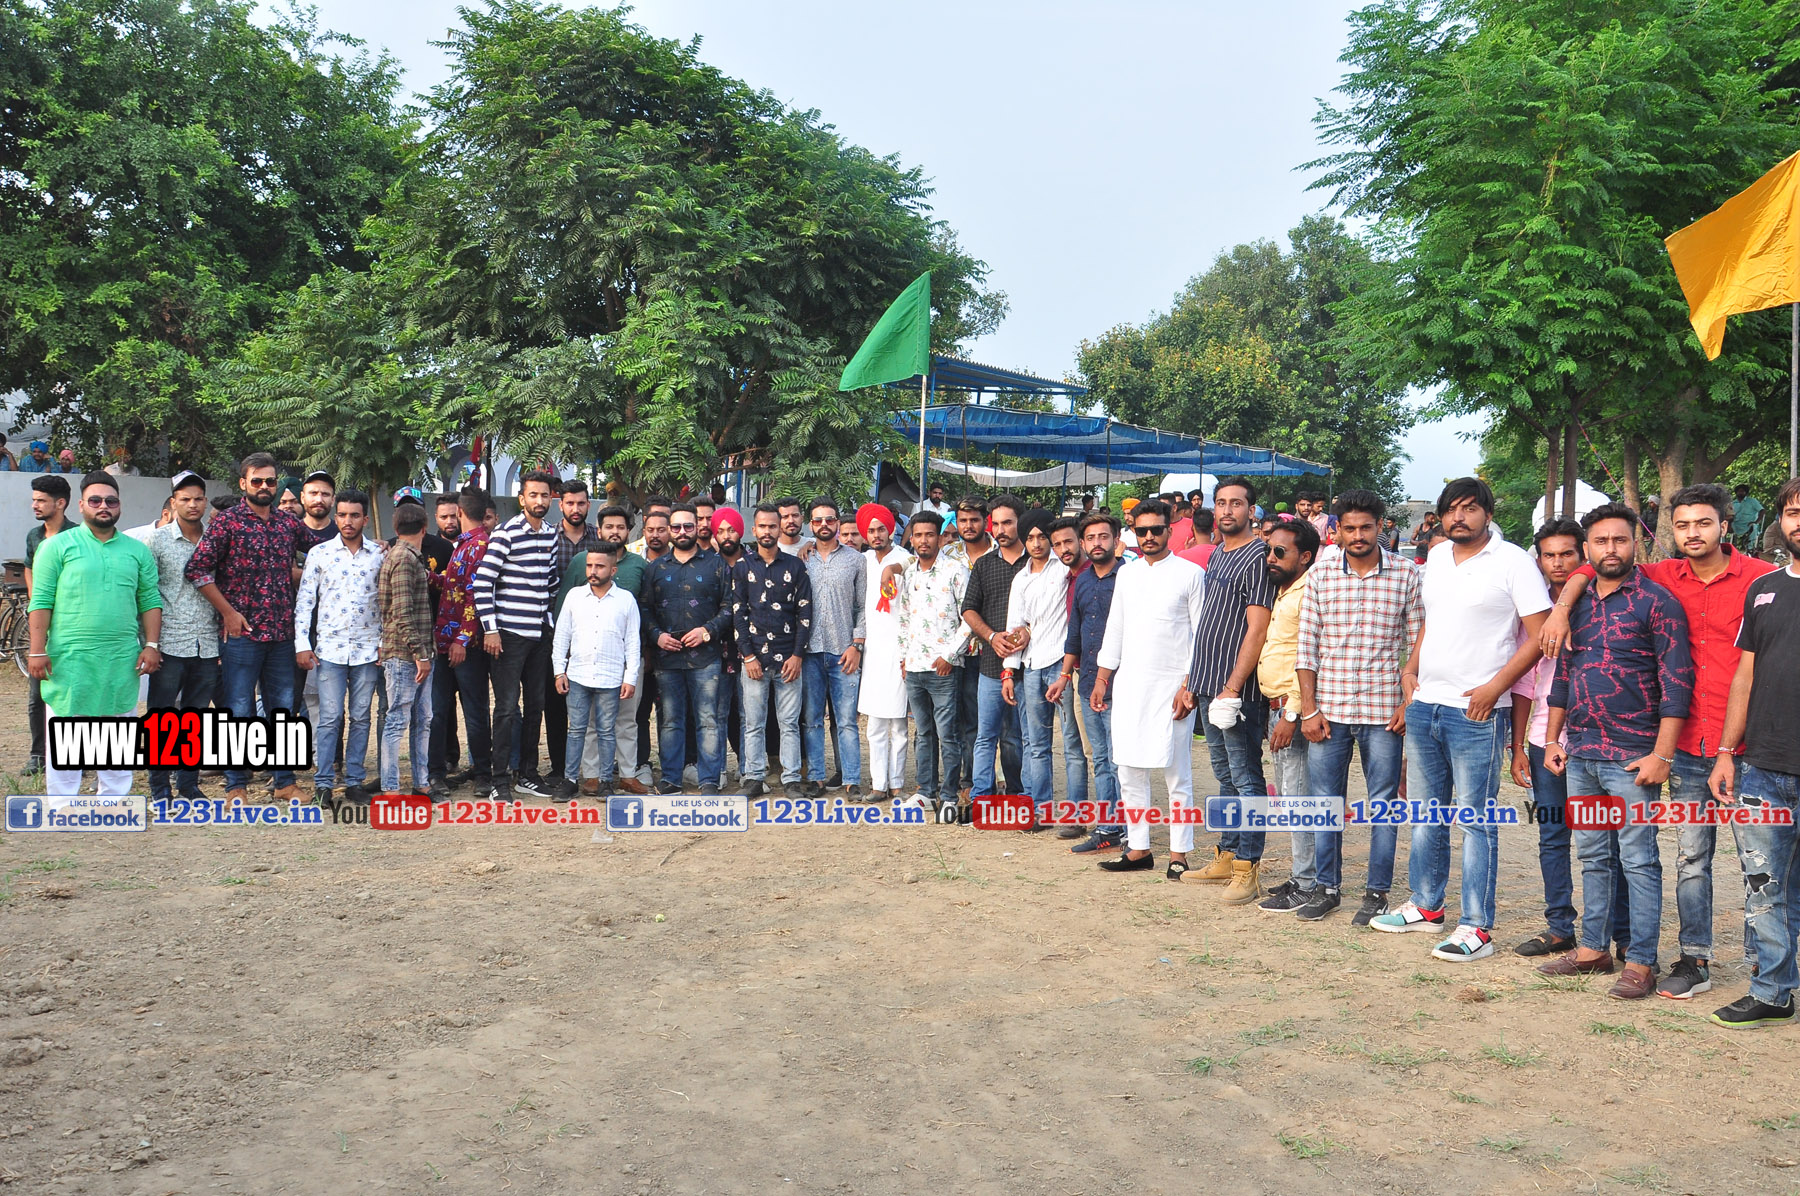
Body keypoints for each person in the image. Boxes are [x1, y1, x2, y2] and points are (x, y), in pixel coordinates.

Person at [1541, 483, 1776, 994]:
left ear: (1724, 526)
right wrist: (1561, 607)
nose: (1693, 533)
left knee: (1752, 863)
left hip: (1718, 745)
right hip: (1600, 752)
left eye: (1703, 523)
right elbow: (1566, 666)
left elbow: (1676, 681)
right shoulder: (1640, 581)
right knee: (1642, 857)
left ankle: (1759, 972)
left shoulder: (1748, 582)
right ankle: (1621, 952)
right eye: (1683, 524)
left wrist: (1660, 753)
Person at [1373, 478, 1550, 962]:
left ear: (1488, 514)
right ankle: (1426, 905)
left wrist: (1496, 687)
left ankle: (1476, 926)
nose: (1459, 517)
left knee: (1475, 821)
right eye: (1451, 509)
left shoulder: (1513, 561)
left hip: (1477, 710)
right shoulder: (1435, 558)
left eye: (1470, 508)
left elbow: (1540, 636)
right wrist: (1410, 671)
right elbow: (1432, 621)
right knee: (1425, 814)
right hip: (1426, 702)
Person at [1537, 503, 1693, 999]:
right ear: (1588, 548)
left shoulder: (1658, 603)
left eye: (1620, 540)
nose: (1611, 549)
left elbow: (1677, 683)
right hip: (1581, 754)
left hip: (1632, 757)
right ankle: (1592, 949)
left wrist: (1661, 756)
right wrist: (1553, 740)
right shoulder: (1576, 606)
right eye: (1601, 541)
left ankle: (1642, 961)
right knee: (1593, 856)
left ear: (1635, 543)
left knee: (1639, 860)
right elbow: (1563, 677)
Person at [1294, 489, 1423, 927]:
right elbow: (1307, 646)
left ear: (1380, 527)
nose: (1358, 536)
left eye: (1366, 527)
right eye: (1349, 528)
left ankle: (1377, 893)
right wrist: (1309, 709)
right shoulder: (1321, 574)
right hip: (1329, 710)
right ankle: (1326, 889)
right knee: (1325, 802)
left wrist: (1408, 703)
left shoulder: (1406, 573)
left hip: (1384, 710)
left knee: (1383, 804)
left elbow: (1419, 642)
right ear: (1337, 530)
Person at [1707, 476, 1800, 1027]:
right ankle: (1772, 991)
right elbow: (1744, 676)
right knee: (1765, 886)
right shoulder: (1764, 589)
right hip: (1763, 767)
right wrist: (1726, 751)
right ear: (1781, 521)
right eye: (1793, 512)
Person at [26, 473, 162, 797]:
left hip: (121, 657)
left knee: (117, 732)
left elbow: (150, 600)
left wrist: (151, 645)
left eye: (111, 501)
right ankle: (63, 804)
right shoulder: (55, 547)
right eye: (96, 500)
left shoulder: (137, 551)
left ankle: (113, 802)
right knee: (68, 733)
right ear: (81, 505)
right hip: (69, 658)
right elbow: (41, 601)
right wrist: (36, 650)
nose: (104, 506)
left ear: (119, 505)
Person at [186, 452, 311, 804]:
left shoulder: (287, 524)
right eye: (257, 480)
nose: (264, 486)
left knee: (282, 709)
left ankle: (284, 781)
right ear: (243, 483)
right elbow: (197, 569)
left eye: (270, 481)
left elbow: (322, 547)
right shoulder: (227, 523)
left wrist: (375, 545)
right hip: (242, 633)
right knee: (239, 709)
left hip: (282, 632)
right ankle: (235, 785)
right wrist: (227, 612)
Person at [1508, 519, 1606, 957]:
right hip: (1542, 739)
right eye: (1549, 555)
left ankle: (1613, 934)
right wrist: (1517, 748)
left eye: (1567, 553)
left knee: (1603, 838)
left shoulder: (1601, 601)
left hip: (1596, 739)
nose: (1558, 563)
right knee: (1552, 833)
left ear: (1582, 555)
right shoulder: (1532, 610)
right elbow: (1525, 684)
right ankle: (1559, 927)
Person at [1092, 500, 1206, 876]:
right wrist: (1102, 678)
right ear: (1134, 533)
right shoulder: (1127, 574)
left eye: (1156, 529)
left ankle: (1179, 854)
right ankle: (1138, 848)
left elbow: (1201, 636)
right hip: (1130, 684)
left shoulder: (1191, 574)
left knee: (1177, 773)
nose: (1150, 537)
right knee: (1129, 769)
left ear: (1169, 530)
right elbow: (1116, 627)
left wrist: (1189, 685)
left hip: (1173, 687)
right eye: (1142, 531)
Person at [1183, 477, 1276, 903]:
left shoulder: (1258, 556)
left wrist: (1233, 686)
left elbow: (1257, 628)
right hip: (1208, 682)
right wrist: (1193, 681)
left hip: (1237, 690)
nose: (1226, 510)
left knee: (1246, 777)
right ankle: (1227, 853)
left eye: (1236, 503)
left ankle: (1248, 868)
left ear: (1251, 511)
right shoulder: (1220, 552)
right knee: (1224, 776)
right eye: (1221, 503)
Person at [473, 471, 559, 801]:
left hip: (539, 635)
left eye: (544, 495)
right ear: (522, 499)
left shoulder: (550, 534)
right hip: (508, 635)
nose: (539, 500)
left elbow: (550, 582)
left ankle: (528, 774)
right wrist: (491, 630)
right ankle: (499, 781)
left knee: (536, 706)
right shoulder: (506, 533)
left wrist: (549, 623)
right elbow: (483, 583)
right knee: (507, 709)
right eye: (533, 495)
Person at [295, 490, 385, 806]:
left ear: (365, 519)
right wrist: (302, 644)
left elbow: (385, 603)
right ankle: (323, 783)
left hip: (368, 649)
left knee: (361, 716)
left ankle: (354, 782)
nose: (348, 521)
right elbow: (305, 602)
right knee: (330, 717)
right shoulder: (319, 554)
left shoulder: (378, 555)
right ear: (336, 518)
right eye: (343, 515)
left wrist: (383, 644)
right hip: (329, 650)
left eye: (354, 515)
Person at [1253, 517, 1323, 914]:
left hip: (1292, 710)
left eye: (1280, 552)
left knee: (1298, 799)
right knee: (1290, 796)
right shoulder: (1283, 589)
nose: (1271, 557)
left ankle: (1308, 884)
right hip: (1276, 706)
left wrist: (1293, 713)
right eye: (1269, 550)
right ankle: (1303, 876)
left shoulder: (1309, 591)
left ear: (1305, 556)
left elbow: (1310, 656)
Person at [642, 503, 732, 794]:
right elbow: (644, 609)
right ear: (670, 530)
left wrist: (707, 631)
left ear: (698, 528)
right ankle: (671, 778)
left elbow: (730, 607)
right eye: (677, 527)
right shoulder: (656, 568)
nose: (682, 531)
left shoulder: (716, 564)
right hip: (667, 658)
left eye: (688, 526)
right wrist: (656, 636)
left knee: (708, 720)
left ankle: (709, 779)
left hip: (706, 657)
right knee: (670, 721)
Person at [1052, 513, 1126, 853]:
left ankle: (1128, 831)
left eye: (1103, 536)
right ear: (1084, 544)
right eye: (1091, 538)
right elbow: (1075, 634)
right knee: (1100, 759)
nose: (1097, 543)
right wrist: (1064, 675)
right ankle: (1108, 828)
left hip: (1121, 683)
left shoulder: (1129, 578)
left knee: (1120, 760)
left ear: (1116, 540)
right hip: (1086, 683)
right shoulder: (1081, 581)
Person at [145, 472, 220, 804]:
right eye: (185, 499)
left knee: (195, 718)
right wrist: (150, 643)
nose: (192, 504)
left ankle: (188, 785)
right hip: (170, 642)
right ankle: (160, 787)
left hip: (207, 644)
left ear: (205, 501)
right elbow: (146, 593)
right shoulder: (157, 541)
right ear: (173, 502)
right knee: (162, 718)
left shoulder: (216, 540)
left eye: (198, 498)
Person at [892, 511, 971, 815]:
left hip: (944, 667)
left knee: (948, 734)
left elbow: (968, 618)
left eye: (929, 535)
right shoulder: (910, 574)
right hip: (915, 667)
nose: (923, 540)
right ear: (911, 538)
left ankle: (949, 794)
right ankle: (926, 791)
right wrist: (904, 658)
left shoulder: (955, 570)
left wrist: (949, 656)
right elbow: (904, 618)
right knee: (923, 733)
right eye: (918, 535)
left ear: (939, 538)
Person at [733, 504, 812, 799]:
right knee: (753, 723)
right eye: (762, 526)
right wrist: (748, 656)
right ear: (754, 530)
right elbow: (738, 614)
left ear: (779, 529)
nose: (767, 531)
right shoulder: (743, 567)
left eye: (772, 526)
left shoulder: (795, 567)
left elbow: (805, 614)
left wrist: (798, 655)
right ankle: (754, 778)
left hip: (788, 659)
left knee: (789, 723)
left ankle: (791, 780)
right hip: (754, 660)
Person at [552, 542, 640, 800]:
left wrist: (630, 677)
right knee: (576, 730)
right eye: (589, 565)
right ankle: (570, 780)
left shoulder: (626, 600)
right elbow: (562, 636)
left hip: (610, 677)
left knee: (606, 731)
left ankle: (605, 781)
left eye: (600, 566)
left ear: (613, 570)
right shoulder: (574, 596)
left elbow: (632, 642)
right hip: (578, 675)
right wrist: (559, 671)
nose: (593, 571)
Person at [1000, 508, 1070, 826]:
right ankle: (1039, 809)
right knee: (1035, 742)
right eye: (1030, 538)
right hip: (1031, 665)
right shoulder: (1021, 578)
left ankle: (1076, 810)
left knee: (1071, 742)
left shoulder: (1065, 568)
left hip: (1062, 664)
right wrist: (1009, 672)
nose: (1037, 543)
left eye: (1042, 537)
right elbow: (1015, 626)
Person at [538, 479, 604, 791]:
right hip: (554, 631)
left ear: (588, 505)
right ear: (560, 505)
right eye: (569, 503)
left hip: (594, 632)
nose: (575, 509)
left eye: (580, 503)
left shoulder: (598, 538)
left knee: (590, 707)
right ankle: (559, 766)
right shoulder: (548, 538)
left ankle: (593, 768)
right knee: (555, 702)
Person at [962, 494, 1028, 801]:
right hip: (990, 664)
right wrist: (991, 636)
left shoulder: (1036, 562)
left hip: (1028, 665)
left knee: (1018, 737)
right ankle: (981, 797)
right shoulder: (985, 564)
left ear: (1020, 523)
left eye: (1007, 523)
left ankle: (1019, 795)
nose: (1000, 530)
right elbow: (968, 609)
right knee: (985, 735)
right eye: (996, 524)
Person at [801, 498, 867, 798]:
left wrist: (857, 644)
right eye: (818, 520)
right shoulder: (803, 559)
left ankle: (852, 780)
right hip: (809, 652)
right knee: (812, 720)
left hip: (844, 652)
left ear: (838, 523)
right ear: (811, 524)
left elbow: (862, 606)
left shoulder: (856, 560)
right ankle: (816, 778)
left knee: (847, 722)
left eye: (829, 519)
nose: (824, 525)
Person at [432, 488, 495, 800]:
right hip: (445, 642)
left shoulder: (479, 546)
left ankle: (483, 773)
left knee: (475, 710)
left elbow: (476, 597)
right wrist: (429, 576)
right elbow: (454, 586)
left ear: (459, 512)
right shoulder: (464, 544)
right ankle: (436, 772)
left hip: (465, 647)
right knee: (437, 710)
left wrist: (462, 639)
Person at [376, 501, 437, 796]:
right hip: (405, 655)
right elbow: (402, 613)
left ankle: (420, 783)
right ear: (425, 528)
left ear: (396, 528)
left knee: (422, 720)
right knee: (399, 720)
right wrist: (420, 654)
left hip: (413, 652)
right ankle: (391, 788)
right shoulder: (404, 558)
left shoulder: (403, 555)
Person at [855, 503, 911, 801]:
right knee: (875, 723)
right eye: (871, 530)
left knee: (899, 723)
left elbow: (910, 564)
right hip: (873, 651)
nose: (876, 535)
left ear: (891, 530)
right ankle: (879, 784)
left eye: (881, 529)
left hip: (901, 649)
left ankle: (897, 783)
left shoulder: (905, 558)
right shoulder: (862, 560)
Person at [1043, 515, 1090, 836]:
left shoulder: (1095, 575)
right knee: (1079, 747)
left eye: (1068, 541)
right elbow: (1073, 634)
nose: (1063, 549)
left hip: (1099, 676)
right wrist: (1064, 674)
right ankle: (1080, 816)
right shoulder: (1068, 578)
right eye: (1057, 544)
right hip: (1075, 672)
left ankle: (1116, 826)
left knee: (1098, 753)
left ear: (1081, 541)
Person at [23, 474, 71, 774]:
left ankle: (73, 753)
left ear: (61, 503)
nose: (35, 505)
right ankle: (38, 755)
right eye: (34, 500)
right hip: (42, 624)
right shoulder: (34, 536)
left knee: (71, 693)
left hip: (69, 626)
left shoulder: (78, 536)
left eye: (41, 500)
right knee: (36, 693)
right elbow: (28, 567)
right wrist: (36, 599)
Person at [1730, 484, 1764, 553]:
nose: (1740, 493)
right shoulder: (1733, 503)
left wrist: (1756, 521)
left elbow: (1762, 510)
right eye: (1739, 491)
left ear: (1746, 493)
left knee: (1753, 526)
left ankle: (1750, 549)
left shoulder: (1752, 501)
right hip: (1736, 525)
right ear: (1736, 492)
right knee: (1722, 525)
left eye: (1742, 491)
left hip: (1748, 525)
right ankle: (1728, 547)